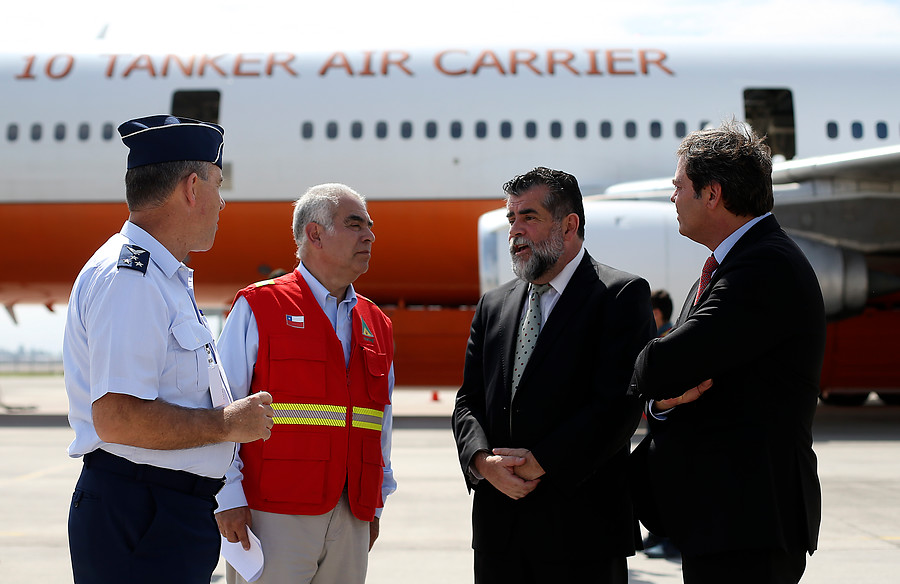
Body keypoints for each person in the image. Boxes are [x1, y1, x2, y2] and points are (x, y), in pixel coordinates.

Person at [63, 115, 275, 584]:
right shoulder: (131, 281)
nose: (223, 202)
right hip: (142, 513)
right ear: (192, 188)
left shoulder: (161, 277)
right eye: (219, 184)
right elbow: (118, 416)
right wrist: (227, 424)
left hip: (163, 511)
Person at [629, 121, 825, 584]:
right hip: (723, 520)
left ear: (712, 193)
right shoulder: (729, 264)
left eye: (679, 187)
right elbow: (671, 378)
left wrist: (652, 378)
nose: (672, 199)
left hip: (749, 524)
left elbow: (662, 364)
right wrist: (661, 403)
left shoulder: (763, 267)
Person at [452, 167, 656, 583]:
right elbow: (468, 400)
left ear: (569, 225)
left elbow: (617, 406)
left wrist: (540, 463)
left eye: (529, 217)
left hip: (582, 535)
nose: (515, 231)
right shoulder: (494, 305)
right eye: (511, 219)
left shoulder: (619, 296)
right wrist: (482, 463)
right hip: (499, 534)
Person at [215, 183, 396, 584]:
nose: (369, 236)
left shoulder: (376, 323)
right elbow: (218, 409)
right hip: (272, 515)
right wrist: (226, 497)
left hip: (352, 514)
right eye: (354, 225)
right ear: (314, 234)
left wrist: (376, 505)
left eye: (370, 226)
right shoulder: (258, 307)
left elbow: (379, 423)